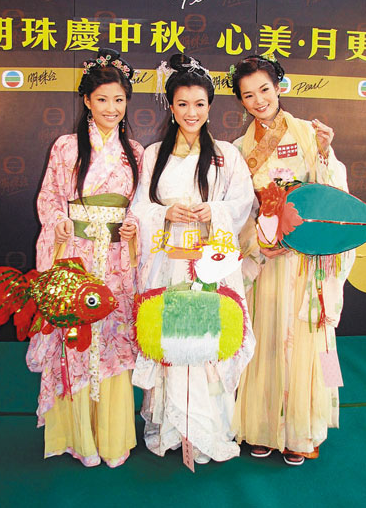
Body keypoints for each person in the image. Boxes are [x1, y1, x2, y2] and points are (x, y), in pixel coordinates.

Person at [230, 54, 355, 465]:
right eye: (248, 95)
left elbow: (333, 194)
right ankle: (261, 427)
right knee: (264, 341)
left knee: (305, 341)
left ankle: (303, 430)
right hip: (267, 259)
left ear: (279, 87)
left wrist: (324, 153)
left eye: (264, 89)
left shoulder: (308, 132)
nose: (259, 100)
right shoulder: (239, 149)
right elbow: (240, 210)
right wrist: (258, 243)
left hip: (305, 259)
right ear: (240, 101)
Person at [131, 54, 255, 464]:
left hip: (211, 260)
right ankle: (171, 428)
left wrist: (213, 210)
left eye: (199, 104)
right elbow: (139, 206)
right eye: (183, 104)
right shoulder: (154, 154)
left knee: (208, 340)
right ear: (171, 106)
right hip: (167, 260)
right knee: (171, 338)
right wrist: (165, 212)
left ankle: (208, 429)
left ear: (210, 106)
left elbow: (242, 203)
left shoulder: (225, 155)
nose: (191, 112)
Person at [26, 48, 143, 467]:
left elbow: (141, 207)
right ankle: (78, 437)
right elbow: (49, 198)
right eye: (102, 99)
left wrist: (132, 226)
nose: (111, 108)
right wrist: (60, 223)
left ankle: (112, 436)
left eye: (119, 99)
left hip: (116, 262)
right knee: (76, 337)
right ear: (87, 101)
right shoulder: (65, 147)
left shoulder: (135, 151)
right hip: (76, 256)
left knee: (112, 336)